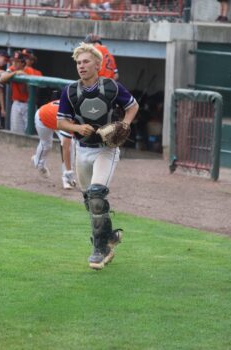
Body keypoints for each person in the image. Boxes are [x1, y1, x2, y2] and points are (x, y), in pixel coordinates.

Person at [57, 43, 139, 270]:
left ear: (97, 64)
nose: (81, 66)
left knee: (96, 195)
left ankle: (99, 249)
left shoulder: (112, 87)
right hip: (82, 149)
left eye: (85, 62)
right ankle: (110, 235)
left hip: (106, 149)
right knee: (90, 202)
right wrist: (76, 128)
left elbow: (133, 106)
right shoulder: (70, 91)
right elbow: (60, 121)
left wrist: (124, 123)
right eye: (78, 63)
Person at [32, 99, 76, 189]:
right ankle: (39, 164)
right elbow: (65, 147)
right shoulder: (71, 115)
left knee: (71, 144)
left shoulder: (76, 106)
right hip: (43, 118)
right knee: (46, 145)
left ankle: (67, 178)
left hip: (58, 120)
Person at [0, 51, 32, 133]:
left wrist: (25, 76)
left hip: (29, 105)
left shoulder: (30, 71)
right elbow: (1, 79)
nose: (14, 63)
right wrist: (15, 73)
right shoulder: (12, 69)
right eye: (13, 61)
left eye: (17, 61)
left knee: (29, 132)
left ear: (23, 62)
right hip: (16, 103)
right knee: (16, 132)